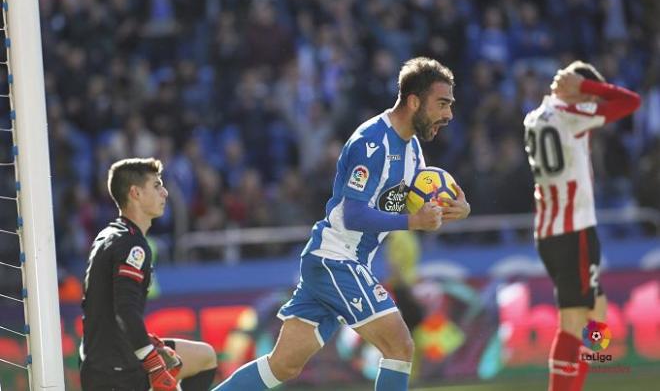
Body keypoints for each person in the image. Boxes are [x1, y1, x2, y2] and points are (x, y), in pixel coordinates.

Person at [213, 57, 471, 391]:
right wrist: (413, 221)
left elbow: (422, 203)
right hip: (337, 258)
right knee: (400, 346)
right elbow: (355, 214)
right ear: (413, 101)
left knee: (283, 365)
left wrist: (456, 209)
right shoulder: (371, 142)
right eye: (442, 104)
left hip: (339, 262)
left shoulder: (414, 152)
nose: (448, 115)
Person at [523, 61, 641, 391]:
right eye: (589, 96)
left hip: (549, 231)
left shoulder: (533, 117)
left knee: (597, 312)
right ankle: (567, 381)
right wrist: (586, 88)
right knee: (573, 322)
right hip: (574, 230)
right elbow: (631, 102)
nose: (594, 106)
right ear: (576, 89)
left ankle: (581, 372)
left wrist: (578, 89)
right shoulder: (569, 115)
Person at [79, 158, 218, 391]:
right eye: (156, 185)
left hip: (104, 357)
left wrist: (144, 343)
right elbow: (124, 309)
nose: (164, 192)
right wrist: (151, 360)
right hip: (115, 370)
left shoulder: (110, 234)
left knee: (205, 357)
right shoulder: (132, 245)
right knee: (203, 359)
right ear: (135, 193)